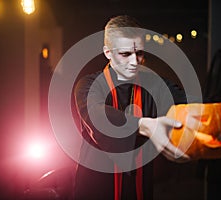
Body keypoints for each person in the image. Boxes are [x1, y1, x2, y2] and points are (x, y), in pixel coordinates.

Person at [73, 15, 191, 200]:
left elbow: (190, 102)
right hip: (94, 190)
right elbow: (99, 117)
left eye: (140, 53)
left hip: (140, 190)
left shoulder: (154, 86)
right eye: (126, 54)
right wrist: (146, 125)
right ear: (108, 52)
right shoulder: (88, 85)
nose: (135, 61)